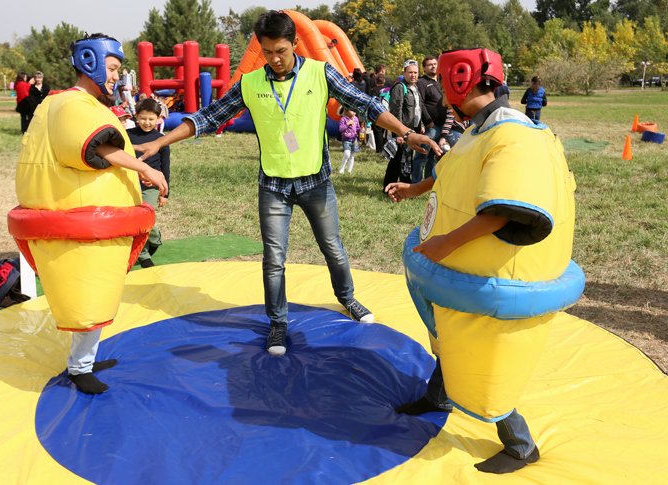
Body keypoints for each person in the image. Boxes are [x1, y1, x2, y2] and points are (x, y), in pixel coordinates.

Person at [134, 10, 439, 357]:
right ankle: (278, 323)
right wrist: (160, 142)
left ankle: (347, 298)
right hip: (273, 187)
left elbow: (366, 104)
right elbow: (208, 117)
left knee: (333, 249)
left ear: (295, 43)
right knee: (273, 259)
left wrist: (406, 132)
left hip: (316, 183)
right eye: (267, 52)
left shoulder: (320, 72)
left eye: (281, 50)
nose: (275, 59)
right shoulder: (250, 83)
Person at [386, 48, 582, 474]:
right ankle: (438, 395)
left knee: (485, 367)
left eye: (450, 87)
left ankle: (520, 444)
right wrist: (412, 189)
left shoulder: (514, 137)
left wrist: (446, 245)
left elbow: (506, 212)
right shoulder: (480, 130)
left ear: (466, 82)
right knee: (448, 336)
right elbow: (451, 172)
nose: (445, 97)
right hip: (456, 276)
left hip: (492, 281)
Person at [8, 34, 168, 395]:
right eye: (112, 68)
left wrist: (136, 154)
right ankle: (79, 369)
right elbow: (98, 145)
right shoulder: (73, 105)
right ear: (89, 62)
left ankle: (85, 360)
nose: (116, 77)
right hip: (80, 223)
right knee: (87, 299)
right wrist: (147, 171)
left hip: (88, 222)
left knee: (93, 294)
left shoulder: (75, 104)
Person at [127, 98, 171, 268]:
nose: (147, 122)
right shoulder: (129, 136)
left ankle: (150, 245)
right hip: (130, 184)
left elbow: (165, 167)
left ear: (158, 119)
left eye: (151, 119)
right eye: (143, 118)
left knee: (146, 220)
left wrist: (165, 193)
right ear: (136, 117)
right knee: (132, 221)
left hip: (151, 187)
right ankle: (139, 252)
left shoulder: (161, 140)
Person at [382, 59, 428, 190]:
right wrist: (399, 132)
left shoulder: (415, 88)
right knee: (396, 160)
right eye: (410, 72)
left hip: (412, 130)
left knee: (407, 159)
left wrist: (422, 125)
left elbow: (418, 108)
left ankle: (404, 186)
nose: (413, 75)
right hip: (402, 131)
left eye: (415, 72)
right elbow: (396, 111)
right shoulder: (399, 87)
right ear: (404, 72)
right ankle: (388, 187)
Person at [338, 107, 359, 175]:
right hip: (346, 139)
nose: (354, 112)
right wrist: (347, 124)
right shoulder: (343, 119)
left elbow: (357, 127)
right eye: (352, 110)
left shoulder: (356, 119)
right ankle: (342, 168)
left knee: (352, 155)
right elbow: (340, 129)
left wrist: (360, 130)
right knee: (347, 154)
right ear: (346, 111)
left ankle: (349, 170)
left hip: (354, 139)